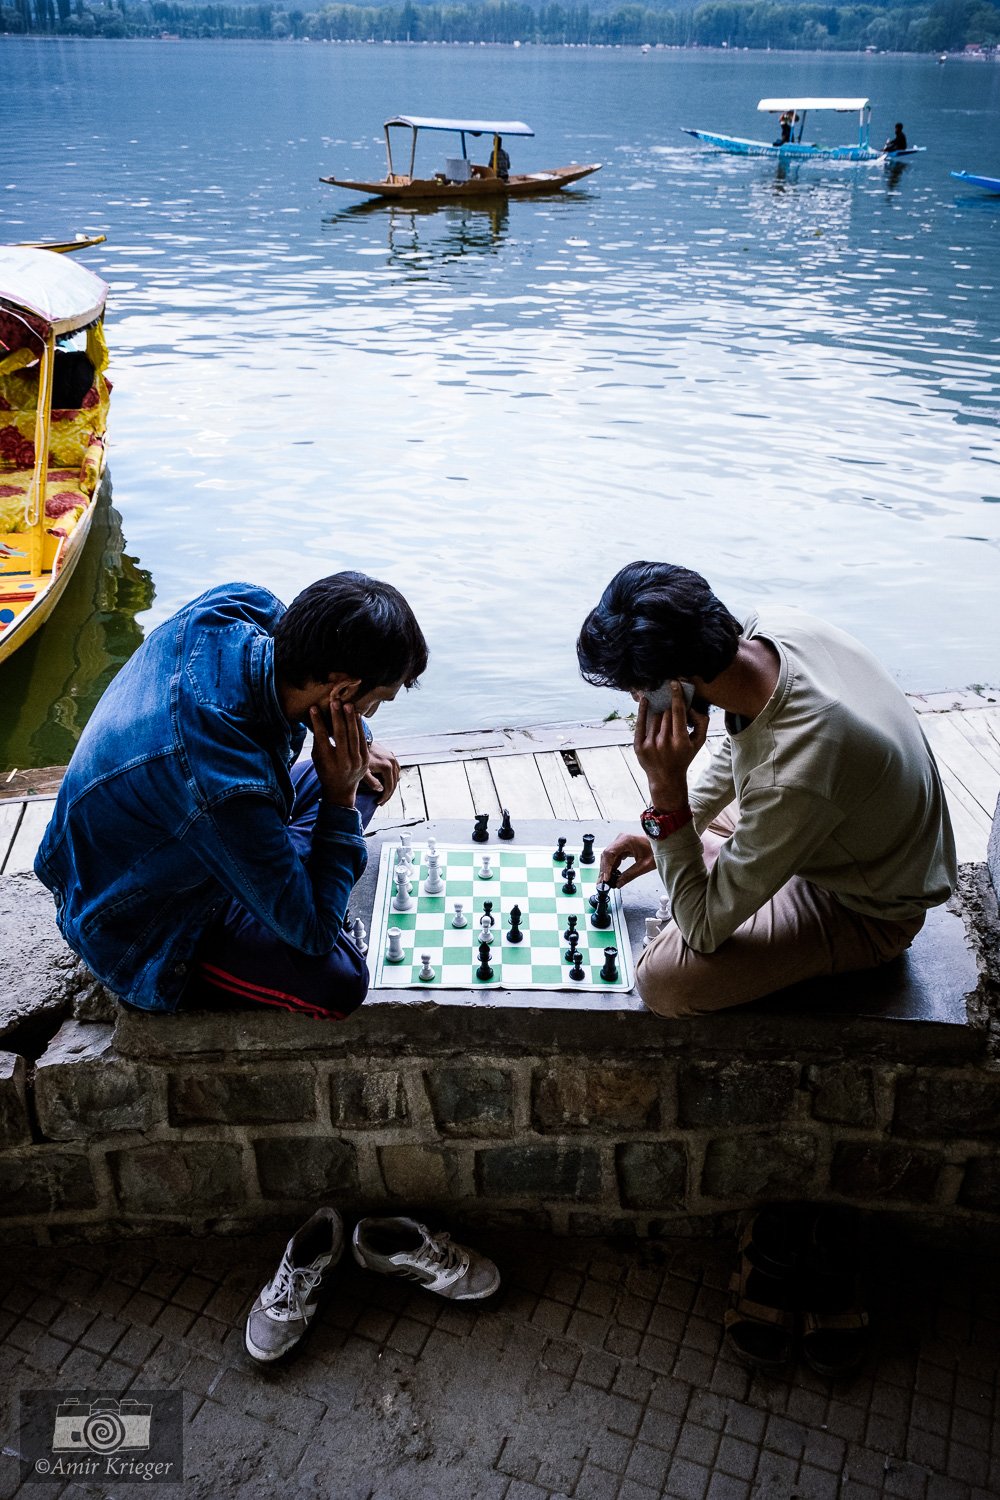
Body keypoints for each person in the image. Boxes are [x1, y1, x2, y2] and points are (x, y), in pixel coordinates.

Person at [35, 573, 428, 1020]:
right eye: (375, 702)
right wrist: (339, 798)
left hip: (188, 828)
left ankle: (278, 873)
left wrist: (356, 755)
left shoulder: (243, 607)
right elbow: (316, 934)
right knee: (339, 979)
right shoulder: (224, 778)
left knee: (365, 776)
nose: (370, 717)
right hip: (140, 922)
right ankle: (282, 878)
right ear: (341, 691)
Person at [576, 561, 956, 1019]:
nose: (638, 703)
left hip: (866, 904)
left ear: (670, 688)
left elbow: (701, 929)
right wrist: (681, 822)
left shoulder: (796, 768)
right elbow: (749, 744)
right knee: (689, 830)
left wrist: (667, 798)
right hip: (838, 820)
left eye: (638, 693)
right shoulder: (776, 627)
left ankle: (732, 868)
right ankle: (729, 863)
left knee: (664, 982)